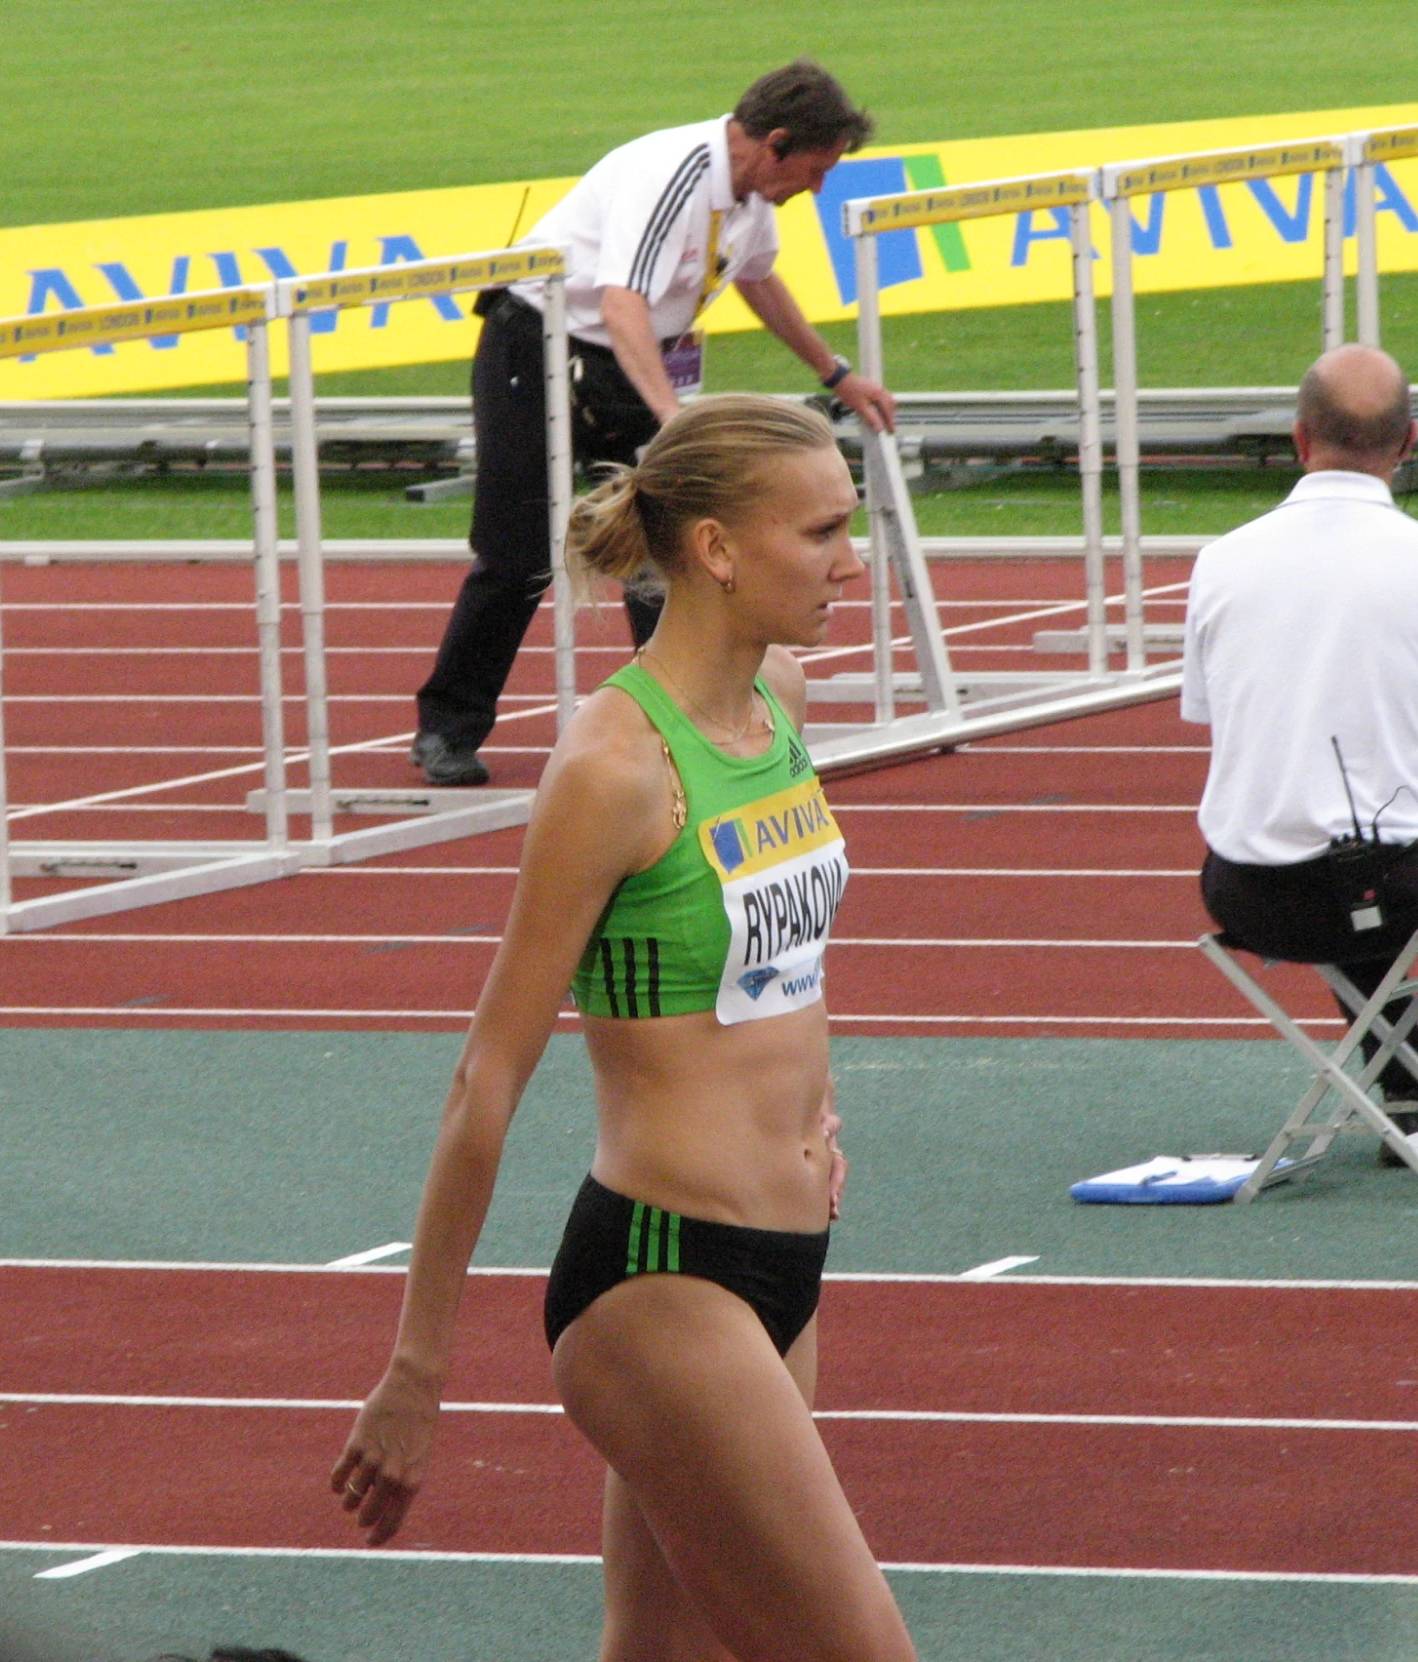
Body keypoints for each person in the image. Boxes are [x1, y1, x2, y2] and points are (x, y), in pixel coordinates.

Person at [337, 396, 918, 1662]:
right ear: (714, 548)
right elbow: (485, 1075)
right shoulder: (612, 765)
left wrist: (810, 1122)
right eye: (819, 531)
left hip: (784, 1264)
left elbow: (771, 966)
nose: (850, 559)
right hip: (662, 1277)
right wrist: (417, 1370)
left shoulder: (783, 703)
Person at [410, 59, 900, 787]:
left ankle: (688, 718)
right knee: (516, 553)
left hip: (624, 362)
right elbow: (621, 302)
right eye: (816, 169)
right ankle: (447, 728)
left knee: (668, 546)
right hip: (537, 347)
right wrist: (672, 419)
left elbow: (759, 279)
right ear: (775, 144)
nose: (817, 188)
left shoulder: (750, 202)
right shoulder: (671, 175)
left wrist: (835, 373)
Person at [1183, 344, 1418, 1163]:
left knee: (1354, 844)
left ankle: (1401, 1091)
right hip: (1385, 889)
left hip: (1243, 892)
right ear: (1409, 442)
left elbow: (1227, 727)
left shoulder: (1219, 563)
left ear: (1297, 438)